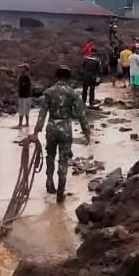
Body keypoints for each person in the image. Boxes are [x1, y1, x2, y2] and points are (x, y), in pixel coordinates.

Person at [30, 66, 91, 202]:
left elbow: (42, 114)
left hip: (51, 128)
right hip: (66, 129)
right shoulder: (73, 93)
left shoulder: (49, 92)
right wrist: (87, 133)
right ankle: (60, 191)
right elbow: (81, 115)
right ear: (68, 78)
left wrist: (35, 132)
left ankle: (49, 182)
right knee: (64, 160)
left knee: (50, 156)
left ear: (56, 77)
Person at [15, 64, 33, 129]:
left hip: (24, 96)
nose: (20, 69)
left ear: (25, 69)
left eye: (22, 68)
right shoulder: (27, 76)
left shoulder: (24, 77)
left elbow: (22, 86)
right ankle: (27, 123)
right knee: (26, 109)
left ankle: (20, 123)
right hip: (27, 95)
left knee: (21, 109)